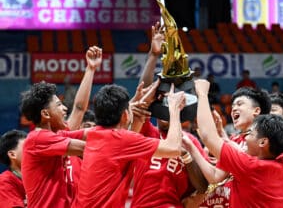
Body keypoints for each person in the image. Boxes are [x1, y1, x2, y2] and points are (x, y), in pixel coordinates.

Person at [130, 22, 208, 207]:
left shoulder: (191, 142)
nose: (167, 106)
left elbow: (202, 186)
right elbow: (142, 95)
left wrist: (186, 155)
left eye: (170, 102)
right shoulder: (146, 131)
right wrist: (153, 55)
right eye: (163, 101)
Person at [185, 79, 283, 207]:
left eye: (239, 104)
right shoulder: (280, 163)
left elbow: (208, 136)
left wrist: (202, 94)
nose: (233, 109)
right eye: (232, 105)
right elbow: (215, 176)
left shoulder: (251, 164)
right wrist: (223, 138)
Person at [72, 82, 186, 207]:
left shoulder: (92, 133)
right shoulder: (122, 139)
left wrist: (146, 100)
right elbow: (174, 147)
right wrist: (174, 108)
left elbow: (130, 134)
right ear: (125, 115)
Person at [20, 46, 102, 208]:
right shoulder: (38, 138)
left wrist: (91, 68)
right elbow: (88, 147)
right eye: (59, 105)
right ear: (46, 114)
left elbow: (79, 109)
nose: (64, 109)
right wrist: (121, 138)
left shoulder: (58, 136)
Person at [0, 130, 27, 208]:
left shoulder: (40, 177)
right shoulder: (3, 182)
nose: (33, 151)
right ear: (12, 154)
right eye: (27, 147)